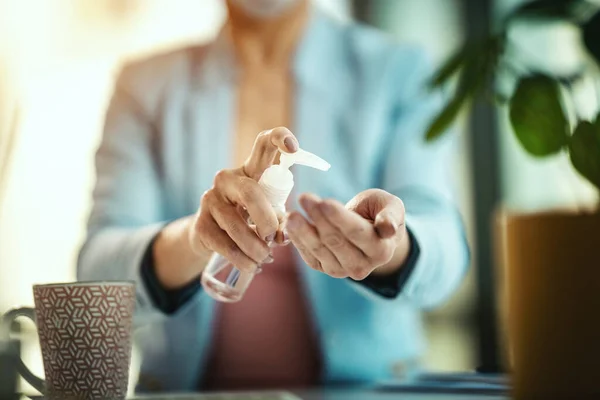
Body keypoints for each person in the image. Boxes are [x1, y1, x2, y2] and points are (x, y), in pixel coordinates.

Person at [77, 0, 469, 393]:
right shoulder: (145, 85)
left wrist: (391, 244)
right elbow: (96, 273)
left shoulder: (397, 70)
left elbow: (446, 252)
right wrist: (197, 238)